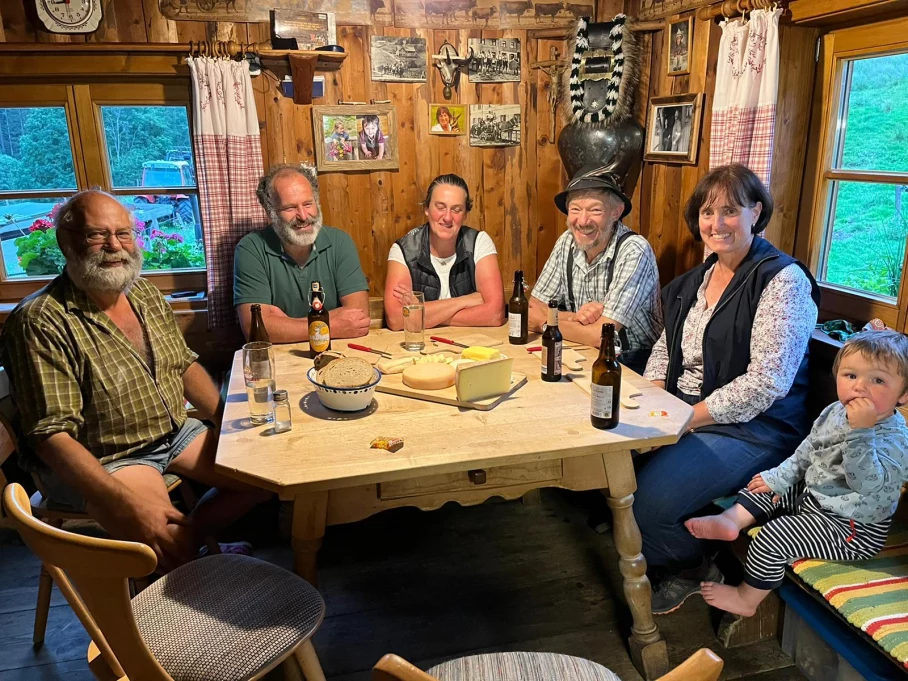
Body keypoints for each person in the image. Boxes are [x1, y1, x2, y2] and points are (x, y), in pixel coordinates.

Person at [0, 190, 271, 571]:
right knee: (162, 538)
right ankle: (176, 577)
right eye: (97, 234)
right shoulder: (40, 321)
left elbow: (184, 366)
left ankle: (194, 541)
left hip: (173, 432)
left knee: (267, 476)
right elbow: (51, 437)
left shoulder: (142, 292)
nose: (114, 246)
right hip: (108, 456)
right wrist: (127, 504)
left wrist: (228, 427)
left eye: (123, 234)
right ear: (66, 241)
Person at [637, 164, 821, 615]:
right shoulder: (698, 280)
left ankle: (690, 568)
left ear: (756, 213)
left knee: (647, 502)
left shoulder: (783, 281)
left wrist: (683, 419)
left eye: (729, 211)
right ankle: (656, 547)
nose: (716, 223)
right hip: (688, 413)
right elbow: (667, 345)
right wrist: (653, 396)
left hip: (756, 430)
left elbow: (767, 383)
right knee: (603, 456)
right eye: (706, 212)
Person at [686, 330, 908, 617]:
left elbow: (864, 483)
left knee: (773, 536)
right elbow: (807, 450)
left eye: (878, 380)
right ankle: (731, 520)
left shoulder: (895, 439)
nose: (860, 387)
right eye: (851, 376)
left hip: (850, 529)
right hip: (815, 497)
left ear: (903, 395)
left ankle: (747, 599)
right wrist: (778, 478)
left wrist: (861, 432)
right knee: (766, 483)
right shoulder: (835, 411)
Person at [530, 164, 662, 373]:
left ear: (616, 212)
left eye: (595, 210)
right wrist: (575, 318)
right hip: (581, 350)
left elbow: (601, 335)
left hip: (633, 362)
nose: (583, 221)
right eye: (575, 209)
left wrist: (546, 323)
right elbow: (534, 308)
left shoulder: (634, 250)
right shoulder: (567, 241)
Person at [234, 163, 371, 342]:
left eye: (308, 204)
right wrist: (334, 325)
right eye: (290, 208)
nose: (303, 216)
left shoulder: (340, 242)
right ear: (270, 212)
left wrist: (284, 323)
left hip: (338, 354)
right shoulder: (250, 249)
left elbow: (359, 316)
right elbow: (256, 329)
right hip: (279, 361)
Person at [384, 174, 505, 330]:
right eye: (440, 207)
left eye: (456, 209)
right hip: (423, 347)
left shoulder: (480, 242)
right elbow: (395, 319)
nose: (447, 217)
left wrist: (422, 314)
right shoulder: (403, 249)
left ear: (465, 214)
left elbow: (494, 314)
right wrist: (466, 301)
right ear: (426, 208)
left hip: (472, 346)